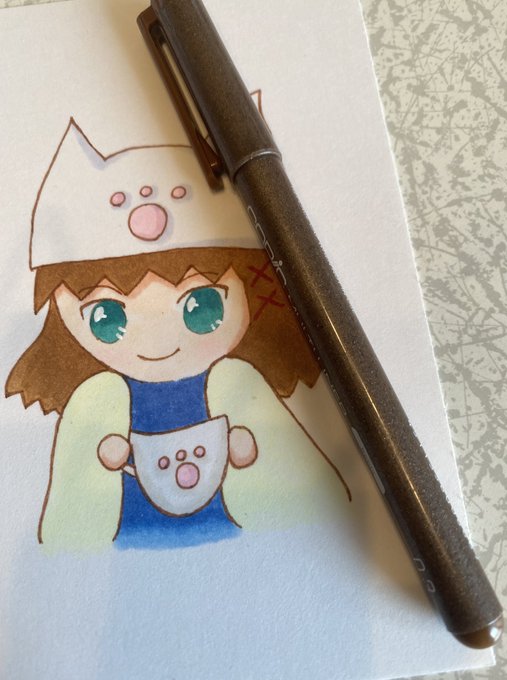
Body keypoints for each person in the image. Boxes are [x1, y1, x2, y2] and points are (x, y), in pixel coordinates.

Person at [6, 120, 350, 551]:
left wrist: (250, 452)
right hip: (129, 541)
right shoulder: (96, 400)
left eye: (202, 308)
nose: (156, 343)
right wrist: (102, 458)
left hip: (239, 539)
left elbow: (297, 498)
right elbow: (70, 529)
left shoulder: (236, 381)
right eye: (107, 318)